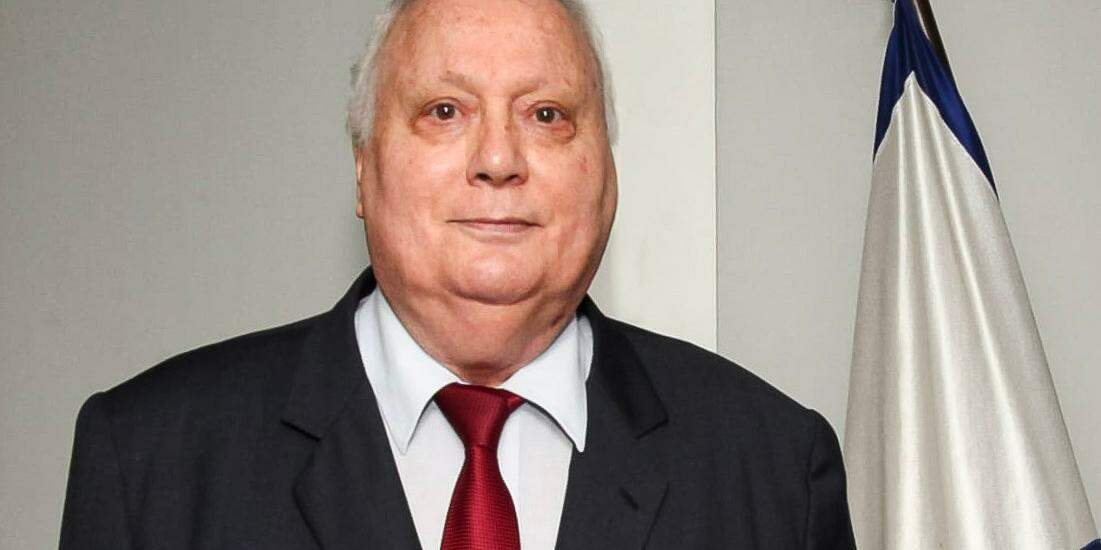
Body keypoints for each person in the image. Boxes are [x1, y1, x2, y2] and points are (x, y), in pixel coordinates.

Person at [59, 0, 856, 548]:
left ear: (606, 173)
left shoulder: (773, 467)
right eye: (444, 111)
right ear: (363, 168)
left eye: (546, 115)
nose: (499, 159)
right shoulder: (152, 461)